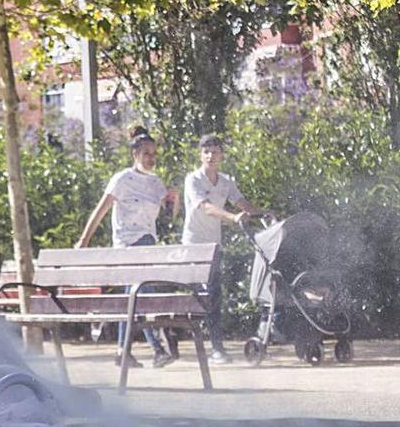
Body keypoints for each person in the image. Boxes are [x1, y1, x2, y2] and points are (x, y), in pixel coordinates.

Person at [76, 126, 179, 369]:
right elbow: (101, 210)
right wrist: (84, 240)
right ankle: (159, 346)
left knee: (132, 299)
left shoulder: (155, 183)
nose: (151, 158)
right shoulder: (122, 179)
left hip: (148, 243)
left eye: (154, 154)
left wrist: (175, 199)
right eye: (146, 153)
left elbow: (168, 217)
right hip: (129, 245)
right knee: (144, 294)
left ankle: (124, 352)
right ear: (134, 154)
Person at [181, 134, 263, 364]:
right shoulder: (193, 180)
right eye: (206, 151)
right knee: (197, 297)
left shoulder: (226, 181)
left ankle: (217, 348)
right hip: (194, 246)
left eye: (215, 151)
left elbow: (242, 203)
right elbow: (206, 208)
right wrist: (233, 217)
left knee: (215, 296)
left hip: (213, 246)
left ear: (222, 155)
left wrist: (263, 213)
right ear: (200, 155)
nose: (210, 156)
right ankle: (179, 339)